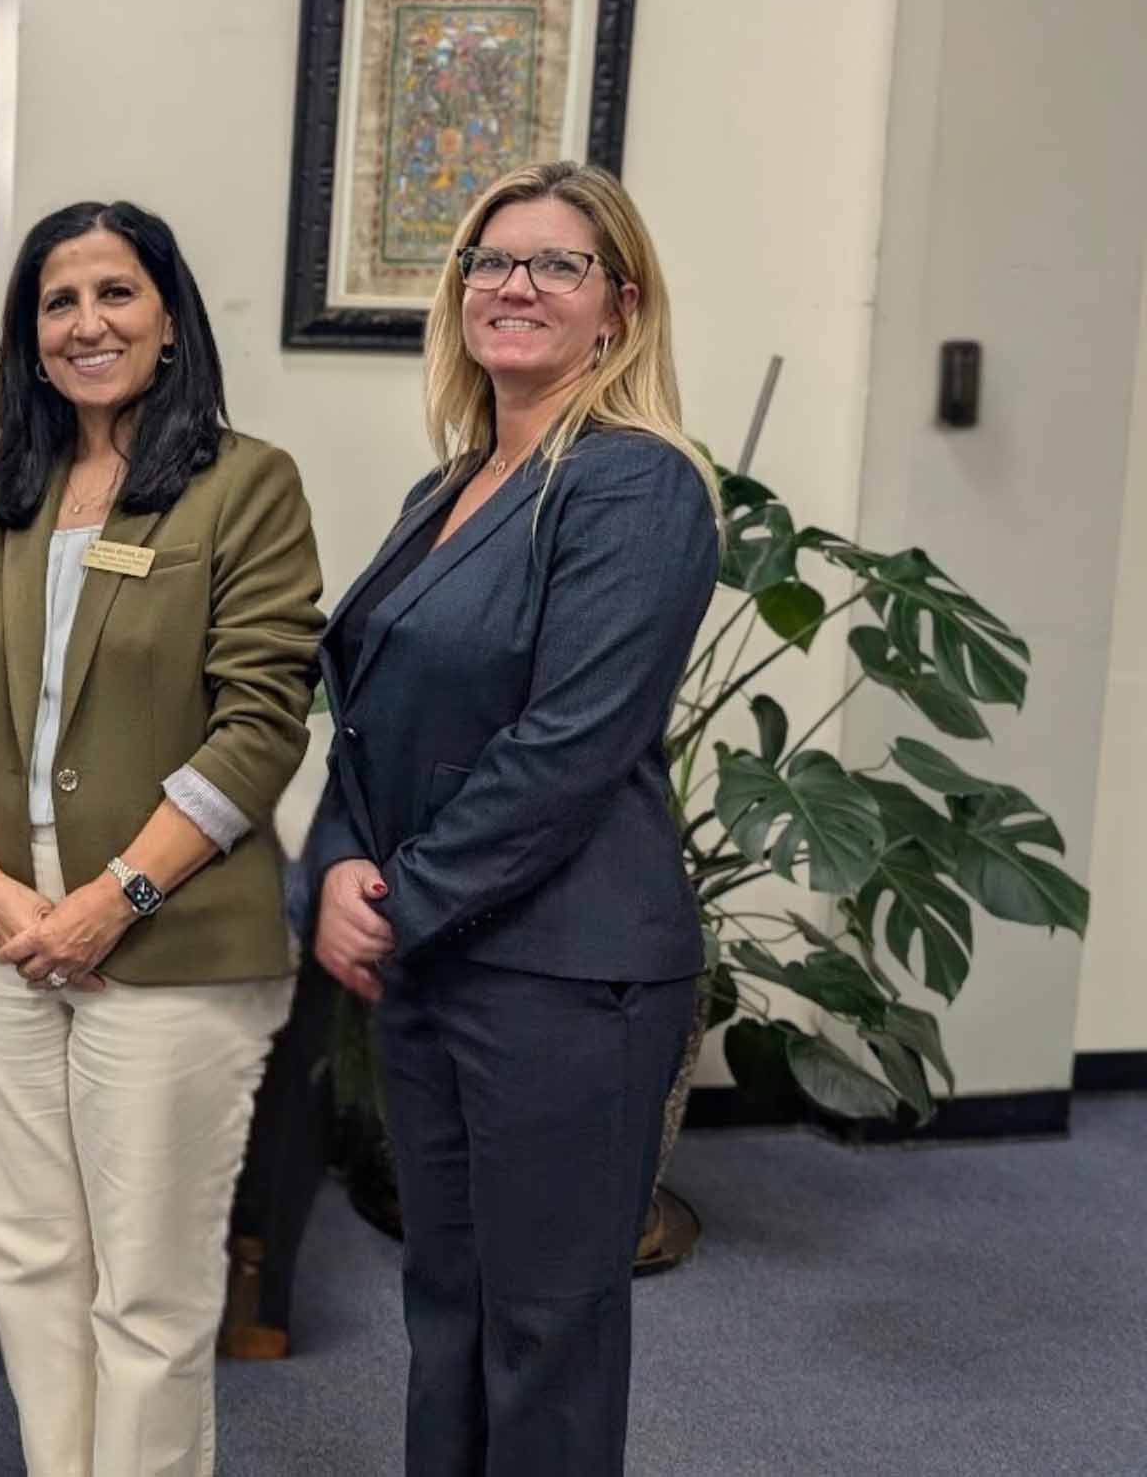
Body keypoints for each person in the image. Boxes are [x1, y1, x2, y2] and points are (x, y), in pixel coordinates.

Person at [301, 160, 719, 1476]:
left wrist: (398, 897)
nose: (514, 285)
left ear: (621, 308)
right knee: (449, 1305)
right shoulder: (457, 485)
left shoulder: (637, 485)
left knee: (546, 1328)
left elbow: (567, 748)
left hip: (565, 975)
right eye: (490, 261)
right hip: (436, 959)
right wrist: (337, 866)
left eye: (557, 264)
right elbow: (369, 710)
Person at [0, 200, 324, 1475]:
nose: (86, 322)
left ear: (168, 319)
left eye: (114, 294)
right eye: (57, 302)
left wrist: (112, 896)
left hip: (176, 940)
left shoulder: (245, 484)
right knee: (27, 1258)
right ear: (30, 343)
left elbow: (260, 723)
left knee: (149, 1286)